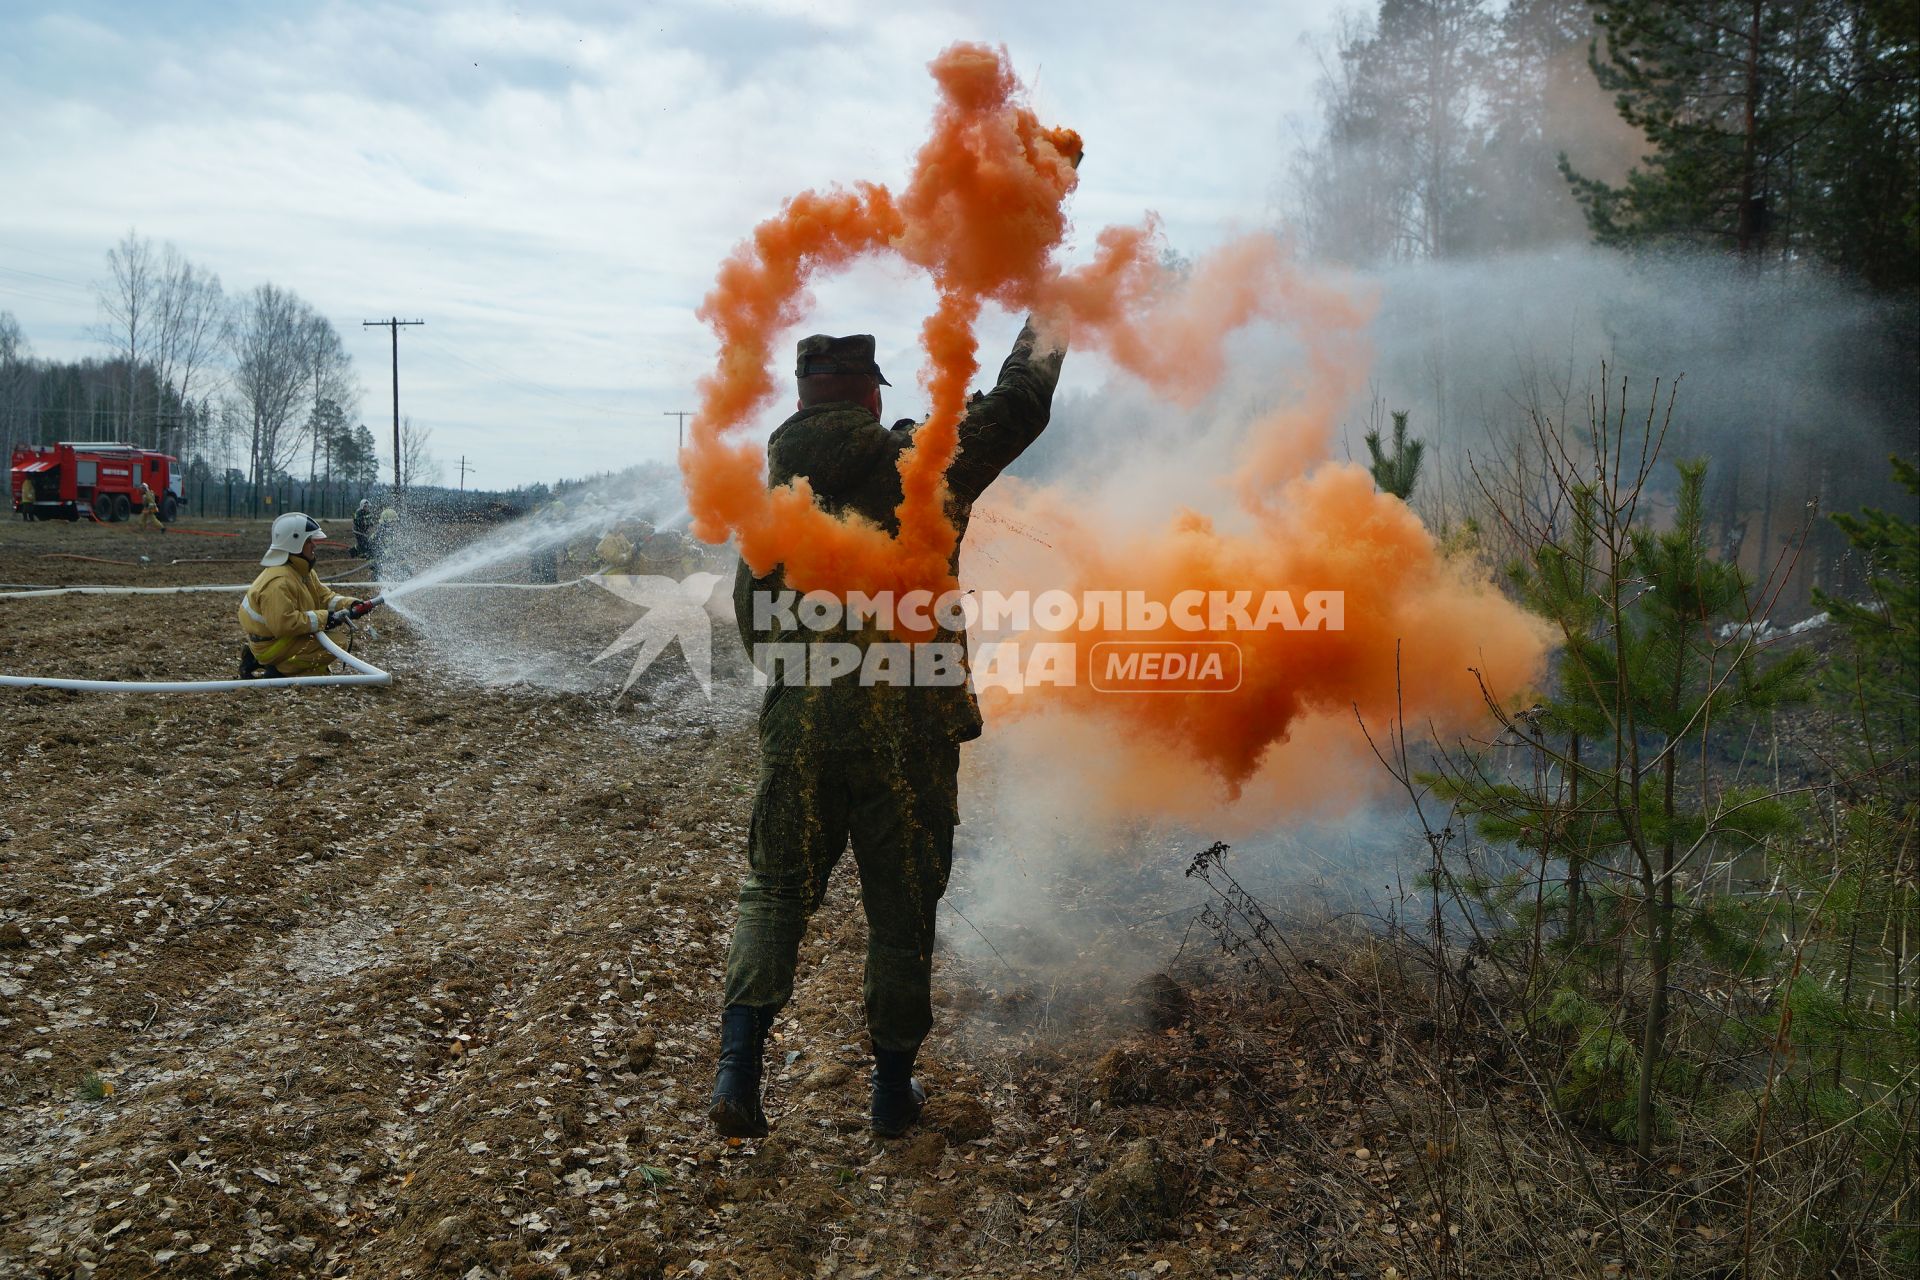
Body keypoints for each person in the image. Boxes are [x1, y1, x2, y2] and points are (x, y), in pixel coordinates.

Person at [710, 322, 1067, 1140]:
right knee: (902, 910)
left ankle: (737, 1071)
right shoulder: (920, 465)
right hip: (908, 725)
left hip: (803, 725)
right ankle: (891, 1094)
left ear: (801, 400)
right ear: (872, 396)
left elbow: (753, 626)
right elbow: (1018, 404)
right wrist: (1051, 309)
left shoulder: (772, 496)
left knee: (774, 891)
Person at [237, 513, 379, 678]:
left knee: (330, 643)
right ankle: (278, 671)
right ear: (294, 543)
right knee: (336, 643)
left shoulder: (300, 571)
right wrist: (327, 618)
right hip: (271, 644)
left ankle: (259, 660)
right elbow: (285, 624)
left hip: (276, 640)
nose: (314, 545)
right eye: (309, 541)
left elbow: (324, 598)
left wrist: (350, 605)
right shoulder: (278, 582)